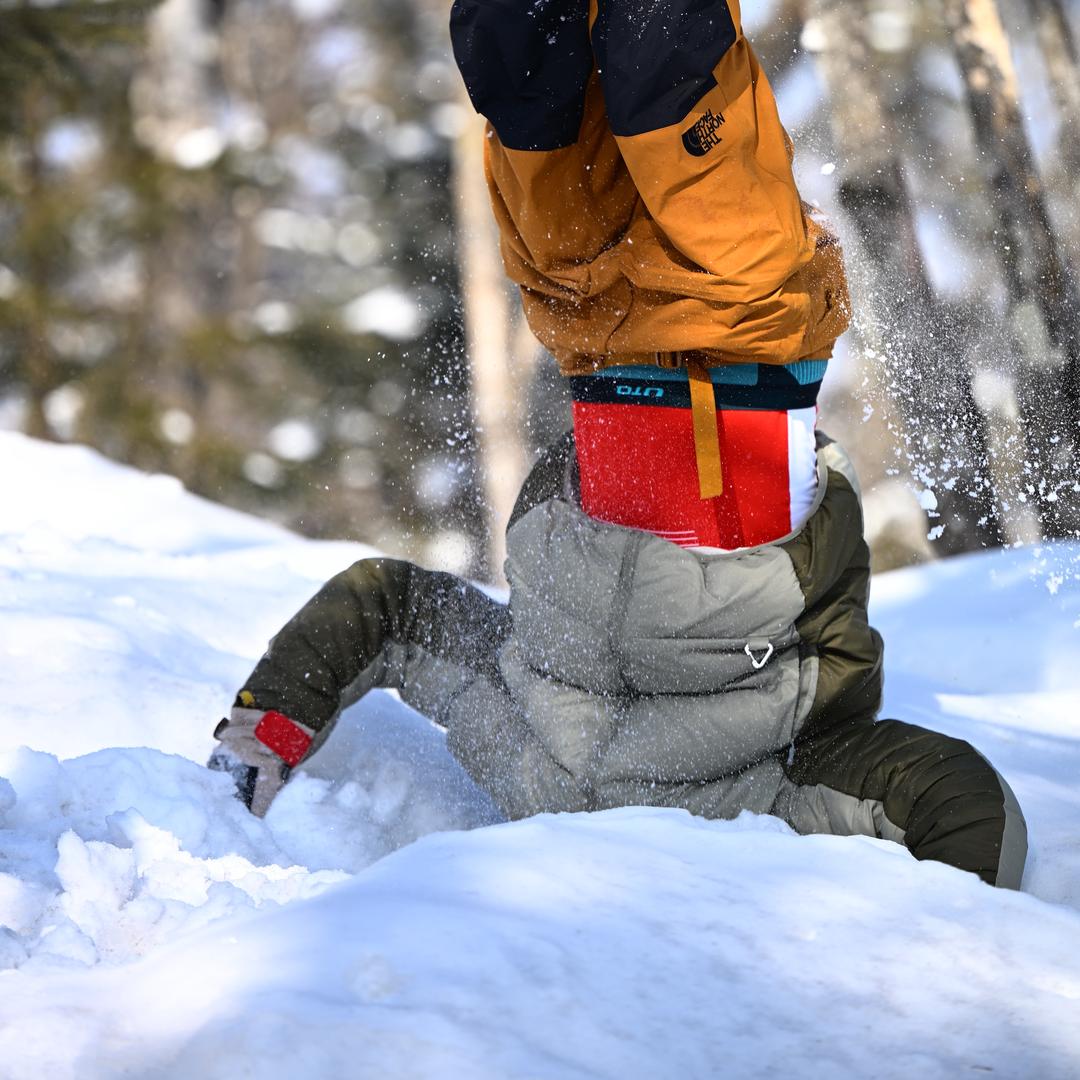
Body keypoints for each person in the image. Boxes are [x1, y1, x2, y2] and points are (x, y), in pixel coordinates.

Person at [210, 2, 1027, 887]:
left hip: (610, 327)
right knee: (641, 66)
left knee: (536, 71)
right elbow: (965, 806)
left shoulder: (532, 752)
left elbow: (386, 608)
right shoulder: (753, 794)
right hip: (721, 327)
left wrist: (256, 745)